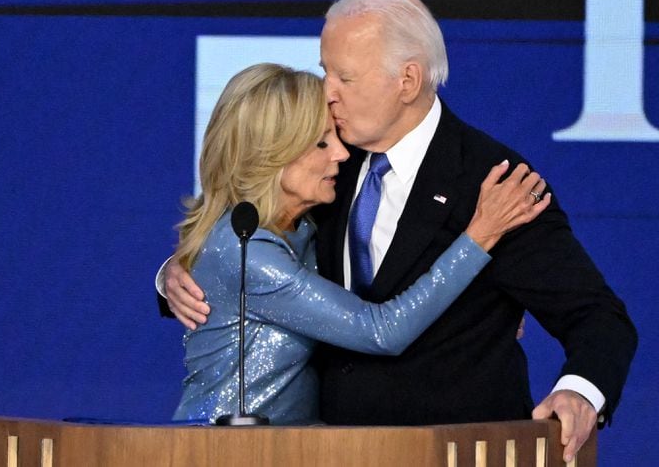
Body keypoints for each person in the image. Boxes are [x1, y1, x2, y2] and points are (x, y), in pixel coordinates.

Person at [160, 0, 637, 462]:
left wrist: (581, 391)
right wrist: (177, 275)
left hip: (452, 451)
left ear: (407, 80)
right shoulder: (325, 163)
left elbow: (598, 317)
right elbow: (253, 238)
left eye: (344, 76)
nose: (327, 92)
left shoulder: (494, 186)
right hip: (328, 453)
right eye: (326, 71)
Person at [170, 62, 549, 424]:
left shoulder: (304, 229)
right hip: (222, 452)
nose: (341, 153)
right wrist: (478, 237)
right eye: (321, 143)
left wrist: (480, 311)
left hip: (291, 449)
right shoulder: (245, 250)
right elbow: (380, 330)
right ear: (272, 154)